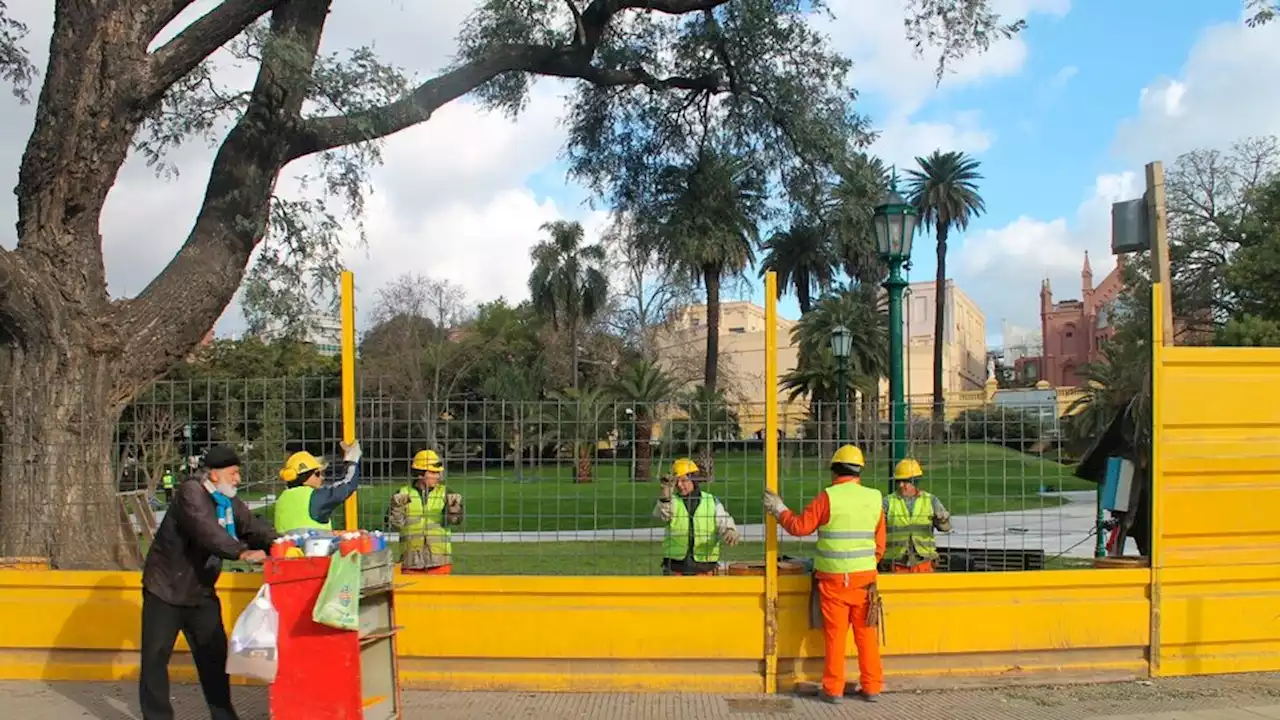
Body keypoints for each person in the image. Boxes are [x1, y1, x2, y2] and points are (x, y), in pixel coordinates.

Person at [139, 445, 277, 720]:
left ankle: (223, 715)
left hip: (200, 592)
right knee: (155, 659)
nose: (238, 479)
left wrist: (279, 542)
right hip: (165, 589)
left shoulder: (227, 500)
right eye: (234, 472)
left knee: (214, 657)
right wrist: (241, 552)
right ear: (214, 474)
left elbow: (250, 525)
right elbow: (207, 532)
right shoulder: (191, 493)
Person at [763, 444, 885, 705]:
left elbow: (800, 527)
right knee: (866, 636)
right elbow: (880, 544)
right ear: (859, 470)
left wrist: (779, 509)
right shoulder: (875, 498)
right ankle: (872, 687)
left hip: (834, 582)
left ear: (834, 471)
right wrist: (864, 565)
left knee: (835, 636)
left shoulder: (828, 497)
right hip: (865, 580)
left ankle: (833, 689)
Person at [654, 458, 741, 576]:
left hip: (705, 567)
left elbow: (723, 520)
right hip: (676, 567)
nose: (679, 485)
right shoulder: (671, 501)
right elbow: (662, 515)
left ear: (694, 480)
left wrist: (730, 530)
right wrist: (665, 494)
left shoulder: (711, 501)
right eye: (677, 482)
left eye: (684, 480)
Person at [387, 449, 463, 574]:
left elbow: (455, 521)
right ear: (420, 474)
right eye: (433, 472)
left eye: (438, 473)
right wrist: (396, 508)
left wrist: (455, 510)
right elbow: (394, 525)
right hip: (411, 562)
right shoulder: (402, 493)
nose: (437, 476)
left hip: (439, 562)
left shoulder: (446, 493)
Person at [273, 441, 363, 534]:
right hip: (313, 547)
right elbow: (348, 485)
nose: (322, 477)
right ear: (304, 477)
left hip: (287, 548)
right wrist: (352, 460)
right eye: (317, 473)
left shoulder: (282, 499)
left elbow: (300, 528)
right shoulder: (313, 497)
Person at [883, 458, 952, 573]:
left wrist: (943, 519)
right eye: (898, 481)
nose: (901, 485)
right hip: (896, 562)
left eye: (905, 481)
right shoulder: (888, 502)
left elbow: (946, 528)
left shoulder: (930, 500)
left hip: (924, 562)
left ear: (915, 481)